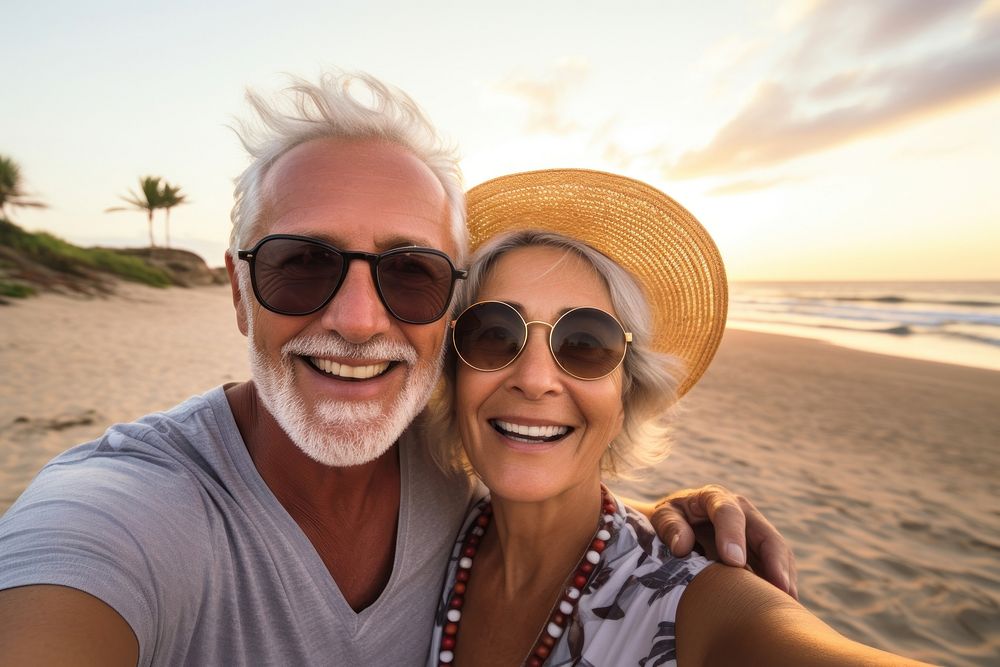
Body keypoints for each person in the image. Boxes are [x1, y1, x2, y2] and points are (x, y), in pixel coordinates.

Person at [0, 72, 793, 666]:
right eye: (302, 263)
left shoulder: (451, 474)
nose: (356, 318)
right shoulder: (124, 511)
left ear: (442, 315)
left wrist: (659, 520)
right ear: (240, 292)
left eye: (408, 272)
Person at [425, 169, 934, 666]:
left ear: (628, 391)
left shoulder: (698, 602)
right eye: (492, 333)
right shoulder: (429, 524)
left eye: (584, 344)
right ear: (452, 370)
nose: (534, 379)